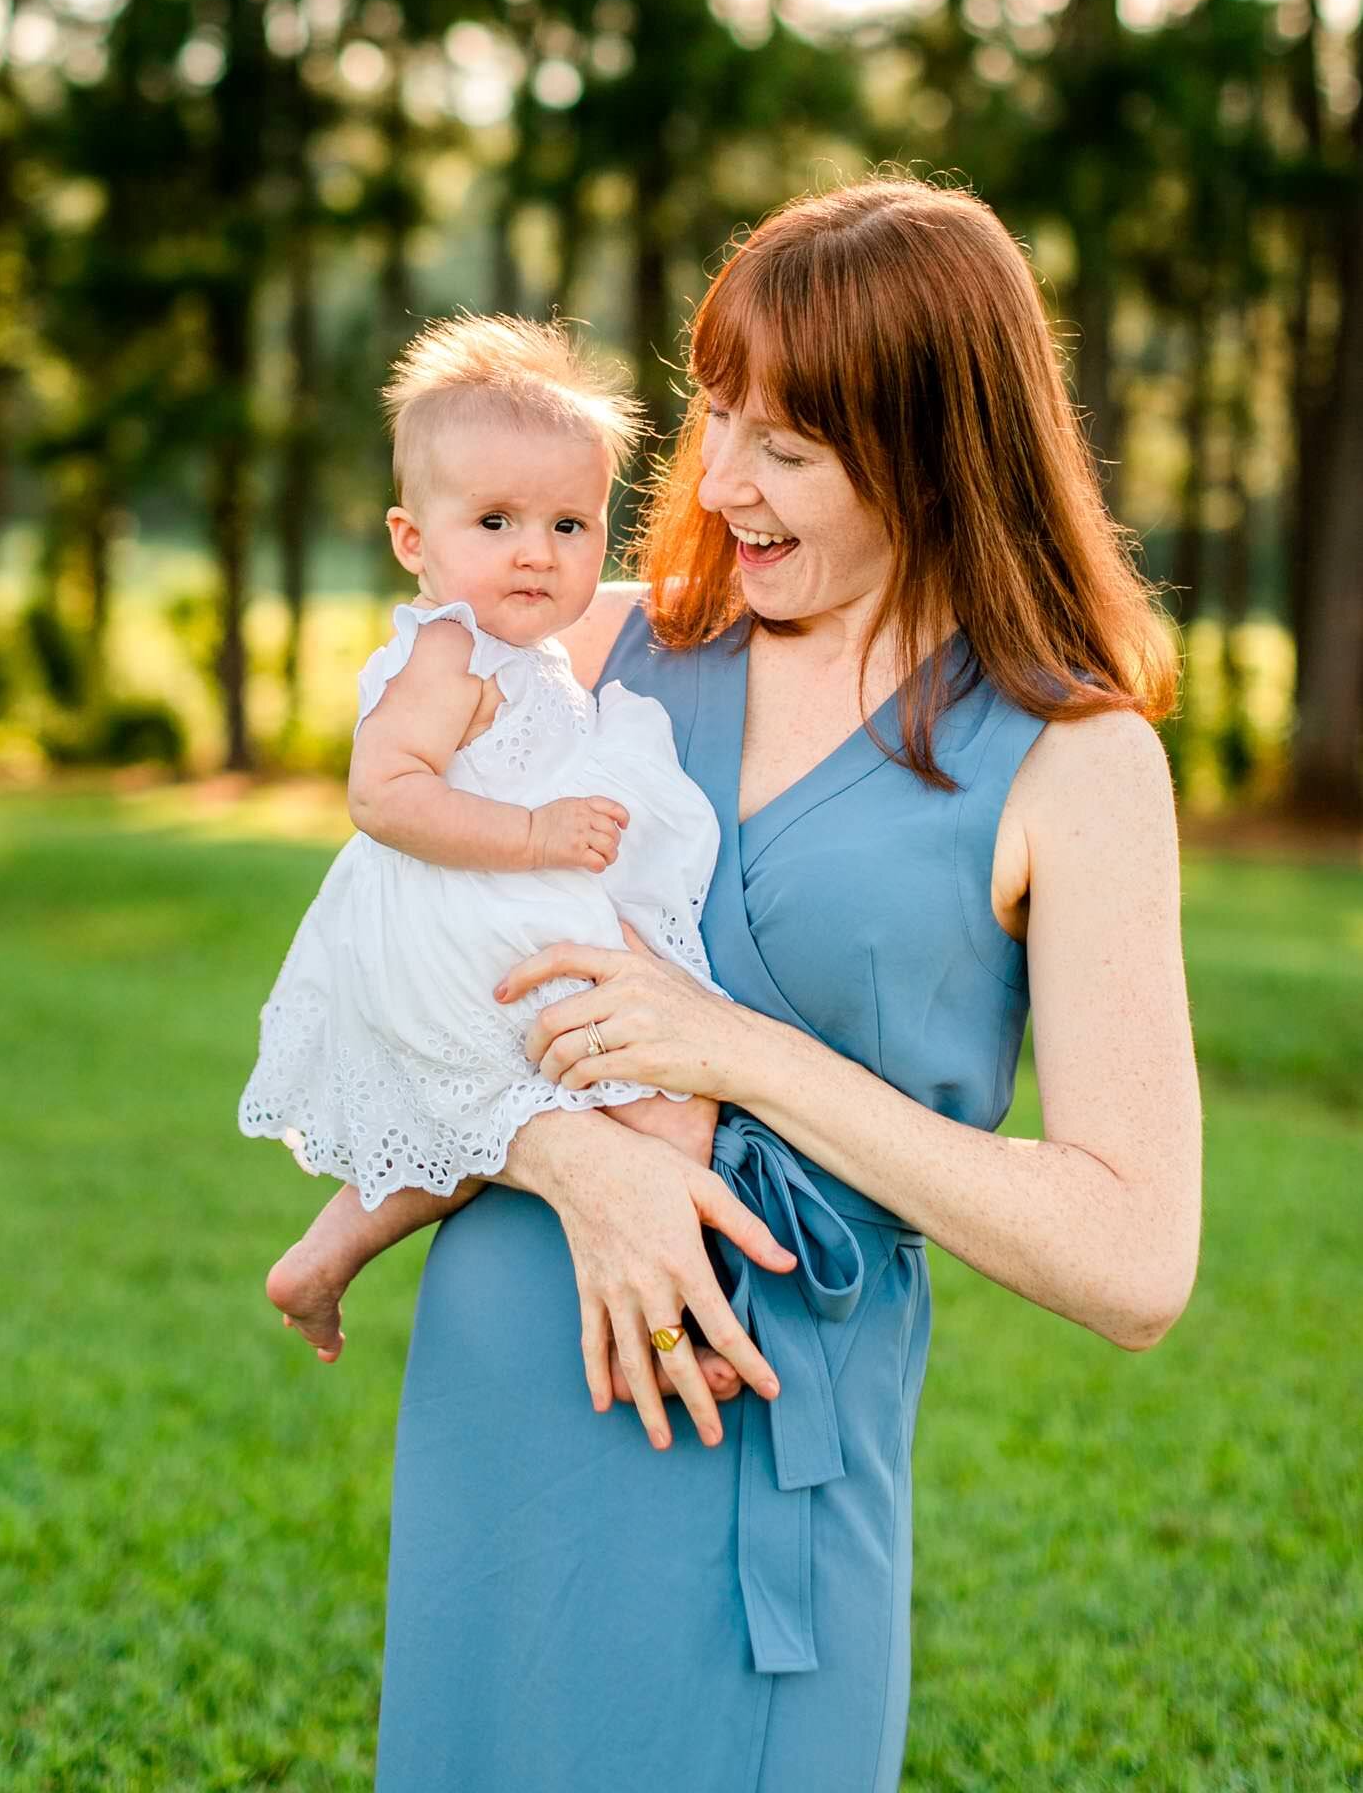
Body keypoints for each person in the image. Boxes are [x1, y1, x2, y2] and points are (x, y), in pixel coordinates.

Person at [375, 174, 1203, 1793]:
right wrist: (574, 1157)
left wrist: (739, 1054)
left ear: (932, 452)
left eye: (792, 447)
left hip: (760, 1443)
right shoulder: (599, 652)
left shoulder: (1077, 755)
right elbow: (381, 977)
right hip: (504, 1408)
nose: (723, 482)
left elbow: (1134, 1257)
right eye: (719, 417)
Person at [238, 313, 787, 1384]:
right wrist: (537, 832)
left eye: (570, 524)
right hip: (473, 906)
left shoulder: (521, 648)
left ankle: (324, 1254)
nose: (537, 550)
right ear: (414, 540)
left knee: (485, 1119)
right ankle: (681, 1297)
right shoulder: (446, 650)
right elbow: (381, 792)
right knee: (672, 1095)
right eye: (495, 519)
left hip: (510, 897)